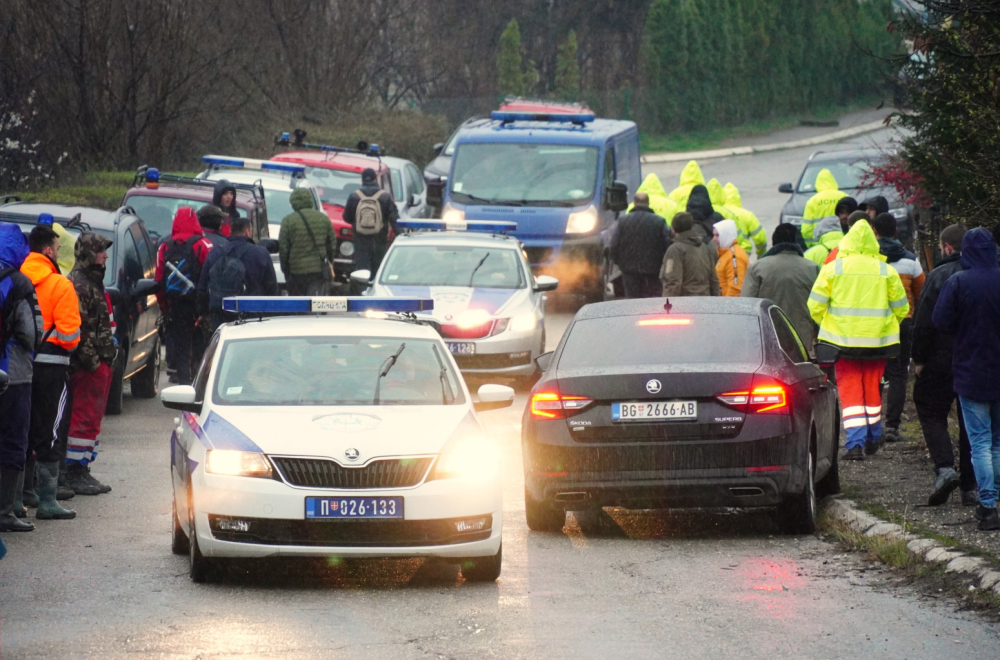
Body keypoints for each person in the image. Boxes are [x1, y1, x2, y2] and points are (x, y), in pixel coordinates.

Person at [808, 219, 909, 460]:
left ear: (848, 242)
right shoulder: (886, 270)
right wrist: (882, 325)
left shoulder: (834, 269)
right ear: (873, 243)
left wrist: (830, 324)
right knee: (873, 390)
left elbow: (814, 306)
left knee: (850, 392)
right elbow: (902, 309)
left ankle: (855, 445)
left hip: (843, 345)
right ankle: (874, 436)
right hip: (877, 345)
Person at [932, 228, 1000, 531]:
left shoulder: (958, 282)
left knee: (981, 442)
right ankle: (995, 500)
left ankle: (988, 507)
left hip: (971, 371)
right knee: (997, 442)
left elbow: (940, 321)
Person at [911, 224, 977, 507]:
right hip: (975, 360)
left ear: (947, 247)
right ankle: (971, 486)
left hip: (940, 358)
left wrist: (919, 359)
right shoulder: (986, 273)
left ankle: (945, 468)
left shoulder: (939, 275)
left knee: (929, 407)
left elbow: (923, 323)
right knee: (971, 421)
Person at [20, 224, 80, 520]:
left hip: (20, 366)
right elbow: (70, 337)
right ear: (48, 251)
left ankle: (21, 495)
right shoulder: (60, 285)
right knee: (52, 431)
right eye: (57, 249)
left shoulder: (15, 279)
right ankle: (47, 501)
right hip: (52, 368)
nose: (58, 253)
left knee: (22, 427)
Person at [62, 233, 116, 496]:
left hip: (95, 364)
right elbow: (79, 329)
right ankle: (74, 471)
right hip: (87, 367)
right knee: (83, 418)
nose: (105, 255)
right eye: (100, 251)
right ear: (87, 254)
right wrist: (93, 363)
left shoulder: (91, 282)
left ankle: (80, 467)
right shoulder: (81, 286)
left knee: (89, 418)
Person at [871, 212, 925, 444]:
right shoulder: (911, 260)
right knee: (898, 376)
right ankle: (892, 426)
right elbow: (922, 292)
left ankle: (872, 426)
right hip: (903, 323)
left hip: (874, 323)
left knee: (874, 374)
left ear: (875, 231)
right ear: (895, 231)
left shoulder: (869, 259)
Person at [0, 223, 39, 532]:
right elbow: (29, 331)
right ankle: (5, 511)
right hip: (13, 374)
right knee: (13, 440)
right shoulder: (19, 283)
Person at [742, 223, 820, 352]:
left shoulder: (757, 268)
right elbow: (820, 309)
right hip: (802, 340)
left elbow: (746, 305)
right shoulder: (812, 268)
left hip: (767, 337)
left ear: (774, 242)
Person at [155, 208, 212, 385]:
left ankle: (184, 384)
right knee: (202, 346)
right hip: (198, 306)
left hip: (176, 305)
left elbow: (158, 281)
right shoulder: (204, 245)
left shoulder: (164, 246)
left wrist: (165, 308)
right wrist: (206, 308)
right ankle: (200, 385)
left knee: (181, 347)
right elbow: (211, 277)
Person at [198, 214, 278, 329]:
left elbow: (203, 284)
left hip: (220, 313)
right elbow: (271, 288)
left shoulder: (216, 251)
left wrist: (202, 312)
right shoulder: (260, 253)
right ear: (247, 231)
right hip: (251, 313)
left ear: (231, 231)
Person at [608, 192, 672, 298]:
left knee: (633, 301)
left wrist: (619, 263)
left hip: (629, 271)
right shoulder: (659, 221)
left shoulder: (622, 222)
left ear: (634, 203)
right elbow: (668, 244)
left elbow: (614, 244)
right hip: (653, 271)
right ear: (648, 203)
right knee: (652, 302)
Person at [279, 188, 336, 296]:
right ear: (309, 200)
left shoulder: (288, 220)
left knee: (298, 302)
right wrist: (329, 260)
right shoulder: (323, 218)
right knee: (316, 300)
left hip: (296, 270)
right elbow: (332, 244)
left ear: (293, 202)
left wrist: (285, 268)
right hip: (318, 269)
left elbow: (283, 248)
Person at [344, 168, 398, 276]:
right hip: (380, 242)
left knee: (361, 273)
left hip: (360, 242)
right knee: (377, 273)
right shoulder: (385, 197)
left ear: (362, 180)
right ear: (376, 179)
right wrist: (402, 235)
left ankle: (362, 292)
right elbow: (394, 220)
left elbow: (346, 217)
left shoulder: (354, 196)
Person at [660, 212, 720, 297]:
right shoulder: (704, 247)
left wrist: (667, 304)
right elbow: (713, 279)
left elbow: (672, 282)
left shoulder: (675, 250)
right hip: (705, 302)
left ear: (673, 229)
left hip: (685, 303)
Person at [801, 169, 847, 249]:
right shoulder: (844, 197)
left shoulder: (812, 201)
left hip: (821, 245)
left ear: (817, 183)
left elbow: (806, 229)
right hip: (844, 243)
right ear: (833, 181)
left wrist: (812, 246)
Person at [723, 183, 766, 259]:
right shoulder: (747, 215)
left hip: (723, 256)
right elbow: (760, 239)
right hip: (743, 254)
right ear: (738, 198)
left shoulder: (719, 212)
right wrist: (761, 254)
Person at [713, 219, 748, 297]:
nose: (714, 239)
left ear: (726, 235)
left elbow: (736, 289)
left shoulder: (734, 257)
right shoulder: (725, 253)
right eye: (714, 235)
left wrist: (727, 307)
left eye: (717, 235)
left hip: (728, 305)